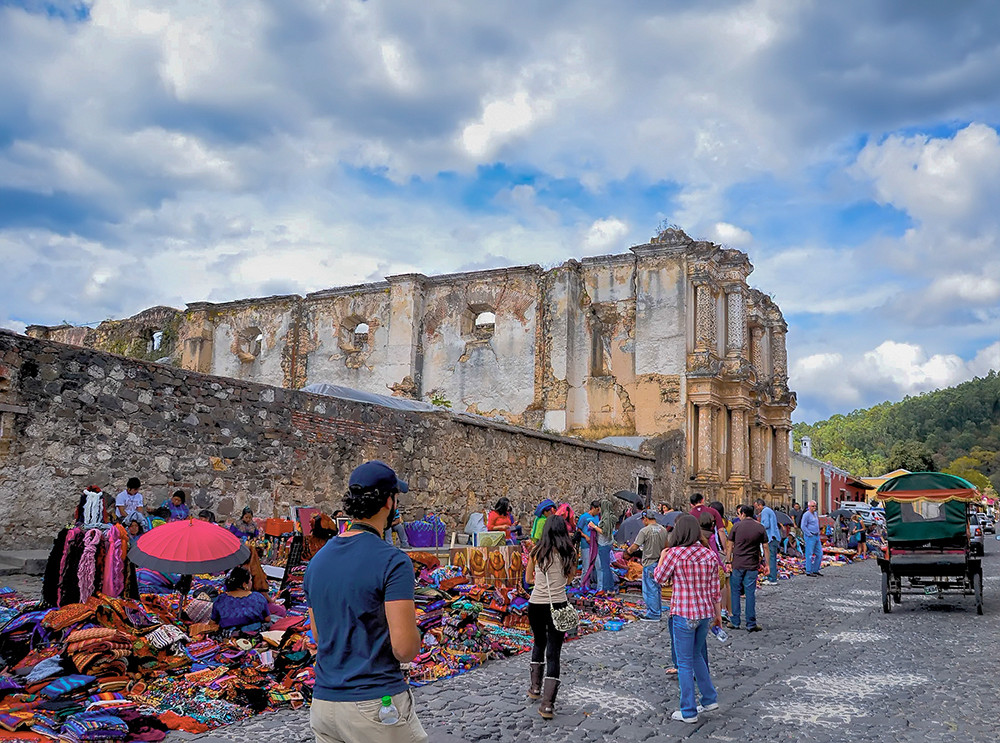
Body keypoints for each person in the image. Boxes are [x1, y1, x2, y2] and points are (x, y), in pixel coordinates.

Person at [304, 460, 426, 743]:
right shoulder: (393, 561)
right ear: (389, 502)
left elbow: (320, 635)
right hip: (374, 703)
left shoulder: (317, 561)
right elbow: (405, 649)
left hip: (324, 704)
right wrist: (413, 627)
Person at [653, 514, 720, 724]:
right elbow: (715, 589)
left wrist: (663, 557)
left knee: (683, 663)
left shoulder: (675, 554)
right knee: (697, 655)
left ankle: (688, 710)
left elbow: (659, 578)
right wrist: (717, 615)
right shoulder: (709, 555)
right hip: (704, 613)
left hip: (683, 612)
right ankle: (709, 698)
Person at [525, 514, 576, 720]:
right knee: (554, 653)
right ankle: (548, 705)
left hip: (536, 604)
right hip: (559, 605)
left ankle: (535, 688)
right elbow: (570, 579)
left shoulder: (536, 552)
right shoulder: (569, 553)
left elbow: (528, 579)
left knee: (539, 643)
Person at [726, 505, 769, 632]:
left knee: (735, 592)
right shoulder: (759, 527)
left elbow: (729, 545)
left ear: (743, 514)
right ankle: (751, 623)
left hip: (738, 563)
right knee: (750, 593)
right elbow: (765, 547)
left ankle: (735, 621)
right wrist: (767, 565)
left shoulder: (737, 526)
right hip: (752, 563)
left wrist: (728, 561)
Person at [625, 510, 669, 621]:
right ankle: (657, 611)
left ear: (646, 519)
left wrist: (628, 551)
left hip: (649, 562)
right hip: (659, 562)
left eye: (642, 520)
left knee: (650, 589)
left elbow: (635, 546)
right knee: (656, 588)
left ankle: (653, 614)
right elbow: (666, 546)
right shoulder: (663, 530)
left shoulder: (644, 531)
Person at [211, 566, 270, 631]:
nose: (251, 582)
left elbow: (213, 622)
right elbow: (267, 619)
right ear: (244, 584)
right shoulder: (258, 597)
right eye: (250, 580)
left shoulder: (221, 599)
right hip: (253, 636)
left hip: (227, 637)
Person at [575, 501, 602, 589]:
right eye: (597, 510)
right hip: (586, 545)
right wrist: (585, 536)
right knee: (586, 567)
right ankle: (583, 585)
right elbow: (578, 529)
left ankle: (600, 587)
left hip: (596, 545)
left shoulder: (597, 517)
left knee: (599, 566)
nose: (598, 512)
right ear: (593, 508)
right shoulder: (584, 517)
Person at [754, 498, 780, 584]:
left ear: (760, 505)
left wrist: (757, 523)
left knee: (770, 558)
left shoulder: (765, 511)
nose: (756, 509)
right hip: (774, 536)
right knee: (773, 558)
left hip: (771, 537)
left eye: (757, 507)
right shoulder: (769, 510)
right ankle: (773, 576)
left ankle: (772, 578)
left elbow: (766, 525)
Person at [801, 500, 823, 577]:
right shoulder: (806, 515)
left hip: (816, 535)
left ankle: (816, 569)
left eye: (815, 506)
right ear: (809, 507)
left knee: (819, 554)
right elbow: (803, 526)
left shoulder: (815, 514)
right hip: (810, 536)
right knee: (809, 554)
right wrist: (809, 534)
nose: (814, 508)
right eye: (813, 506)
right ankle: (809, 571)